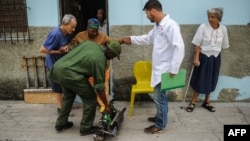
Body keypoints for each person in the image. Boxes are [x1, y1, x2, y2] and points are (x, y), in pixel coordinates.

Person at [123, 0, 185, 134]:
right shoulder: (158, 26)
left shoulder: (170, 25)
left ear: (152, 11)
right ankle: (160, 117)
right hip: (158, 69)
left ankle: (160, 124)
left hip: (165, 70)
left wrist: (174, 69)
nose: (146, 16)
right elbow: (147, 38)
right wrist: (132, 39)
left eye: (146, 13)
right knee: (160, 97)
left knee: (159, 97)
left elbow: (179, 48)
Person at [49, 40, 121, 136]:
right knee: (90, 98)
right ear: (110, 52)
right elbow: (99, 87)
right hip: (69, 74)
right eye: (114, 56)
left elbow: (73, 50)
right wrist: (106, 105)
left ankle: (61, 123)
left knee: (68, 96)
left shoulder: (90, 44)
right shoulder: (100, 59)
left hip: (58, 68)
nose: (112, 58)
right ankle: (86, 128)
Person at [67, 18, 123, 112]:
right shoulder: (79, 36)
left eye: (96, 31)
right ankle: (93, 103)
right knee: (89, 88)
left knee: (102, 87)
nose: (95, 33)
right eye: (93, 31)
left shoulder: (102, 36)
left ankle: (104, 105)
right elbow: (72, 47)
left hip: (101, 67)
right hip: (86, 68)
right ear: (87, 29)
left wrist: (122, 41)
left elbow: (112, 43)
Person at [186, 8, 229, 113]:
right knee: (201, 79)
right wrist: (196, 57)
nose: (210, 19)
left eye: (213, 17)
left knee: (212, 79)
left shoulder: (223, 29)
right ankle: (192, 102)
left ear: (219, 17)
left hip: (216, 57)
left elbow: (224, 45)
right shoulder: (203, 27)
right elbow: (197, 43)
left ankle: (207, 101)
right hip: (204, 56)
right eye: (209, 16)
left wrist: (215, 52)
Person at [39, 14, 77, 114]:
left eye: (74, 27)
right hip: (53, 64)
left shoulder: (67, 33)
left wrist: (66, 48)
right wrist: (58, 52)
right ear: (65, 24)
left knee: (65, 84)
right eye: (72, 27)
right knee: (58, 87)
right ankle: (60, 108)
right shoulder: (55, 33)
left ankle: (65, 106)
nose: (73, 30)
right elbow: (42, 49)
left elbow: (66, 45)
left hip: (61, 63)